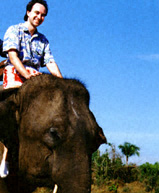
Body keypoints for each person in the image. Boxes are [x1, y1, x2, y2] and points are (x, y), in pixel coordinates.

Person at [3, 0, 62, 89]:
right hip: (15, 73)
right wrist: (27, 75)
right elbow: (12, 57)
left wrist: (63, 83)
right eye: (37, 13)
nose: (39, 17)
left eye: (43, 15)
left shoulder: (43, 40)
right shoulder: (14, 30)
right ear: (28, 12)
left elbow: (50, 62)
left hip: (35, 77)